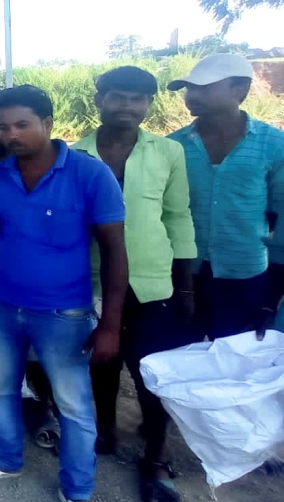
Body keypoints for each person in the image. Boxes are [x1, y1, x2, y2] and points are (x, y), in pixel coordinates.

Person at [0, 85, 128, 502]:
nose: (12, 135)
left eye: (22, 125)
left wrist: (111, 325)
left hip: (63, 314)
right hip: (2, 306)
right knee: (2, 388)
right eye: (4, 127)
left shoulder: (90, 175)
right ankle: (7, 459)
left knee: (73, 404)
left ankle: (77, 489)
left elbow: (115, 251)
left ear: (47, 123)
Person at [75, 66, 197, 502]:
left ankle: (157, 456)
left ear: (148, 104)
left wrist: (185, 287)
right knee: (101, 366)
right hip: (92, 281)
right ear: (100, 100)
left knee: (154, 375)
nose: (128, 106)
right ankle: (105, 431)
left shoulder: (167, 152)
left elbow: (178, 217)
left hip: (153, 282)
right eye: (118, 97)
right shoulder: (76, 155)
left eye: (138, 99)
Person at [167, 53, 284, 341]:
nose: (192, 95)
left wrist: (271, 296)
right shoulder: (172, 146)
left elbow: (281, 219)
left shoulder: (274, 144)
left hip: (246, 276)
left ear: (240, 88)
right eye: (189, 88)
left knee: (236, 357)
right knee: (180, 356)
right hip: (183, 273)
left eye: (204, 88)